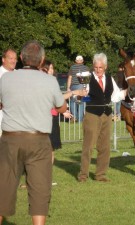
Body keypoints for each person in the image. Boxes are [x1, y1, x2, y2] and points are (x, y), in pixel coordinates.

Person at [0, 40, 67, 225]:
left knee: (3, 188)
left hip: (10, 141)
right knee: (40, 190)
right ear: (42, 60)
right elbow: (62, 108)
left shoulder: (5, 79)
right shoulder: (50, 81)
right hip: (39, 141)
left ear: (21, 58)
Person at [77, 53, 127, 183]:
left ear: (105, 67)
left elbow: (115, 96)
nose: (98, 70)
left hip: (107, 114)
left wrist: (127, 92)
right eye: (96, 67)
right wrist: (80, 96)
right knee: (88, 146)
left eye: (100, 67)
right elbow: (81, 95)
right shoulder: (87, 78)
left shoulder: (110, 79)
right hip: (92, 114)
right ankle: (83, 175)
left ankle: (101, 174)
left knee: (104, 147)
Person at [41, 60, 86, 174]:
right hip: (44, 118)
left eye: (52, 68)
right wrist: (74, 92)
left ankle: (47, 176)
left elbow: (56, 101)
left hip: (53, 117)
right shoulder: (42, 83)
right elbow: (54, 100)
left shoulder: (52, 82)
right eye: (49, 68)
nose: (51, 70)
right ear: (43, 69)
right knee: (43, 149)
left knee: (51, 149)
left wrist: (62, 111)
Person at [67, 55, 89, 122]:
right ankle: (80, 120)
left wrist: (68, 88)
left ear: (76, 61)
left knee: (73, 101)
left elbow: (70, 78)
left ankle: (74, 117)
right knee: (81, 102)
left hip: (74, 86)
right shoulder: (86, 68)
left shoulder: (72, 67)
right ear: (82, 61)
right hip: (82, 86)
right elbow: (87, 79)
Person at [0, 48, 17, 137]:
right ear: (3, 59)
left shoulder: (19, 75)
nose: (13, 61)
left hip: (17, 123)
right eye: (10, 58)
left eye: (15, 59)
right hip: (2, 121)